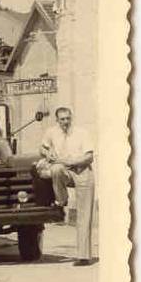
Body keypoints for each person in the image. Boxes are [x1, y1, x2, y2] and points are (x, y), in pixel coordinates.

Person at [40, 107, 95, 266]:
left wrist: (72, 161)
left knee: (84, 215)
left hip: (82, 170)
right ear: (57, 120)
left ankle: (83, 256)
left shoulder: (82, 133)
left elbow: (89, 157)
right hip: (64, 170)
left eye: (68, 118)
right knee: (56, 169)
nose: (65, 122)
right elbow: (42, 147)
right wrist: (46, 153)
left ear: (71, 118)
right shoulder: (51, 132)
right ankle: (61, 201)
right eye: (62, 119)